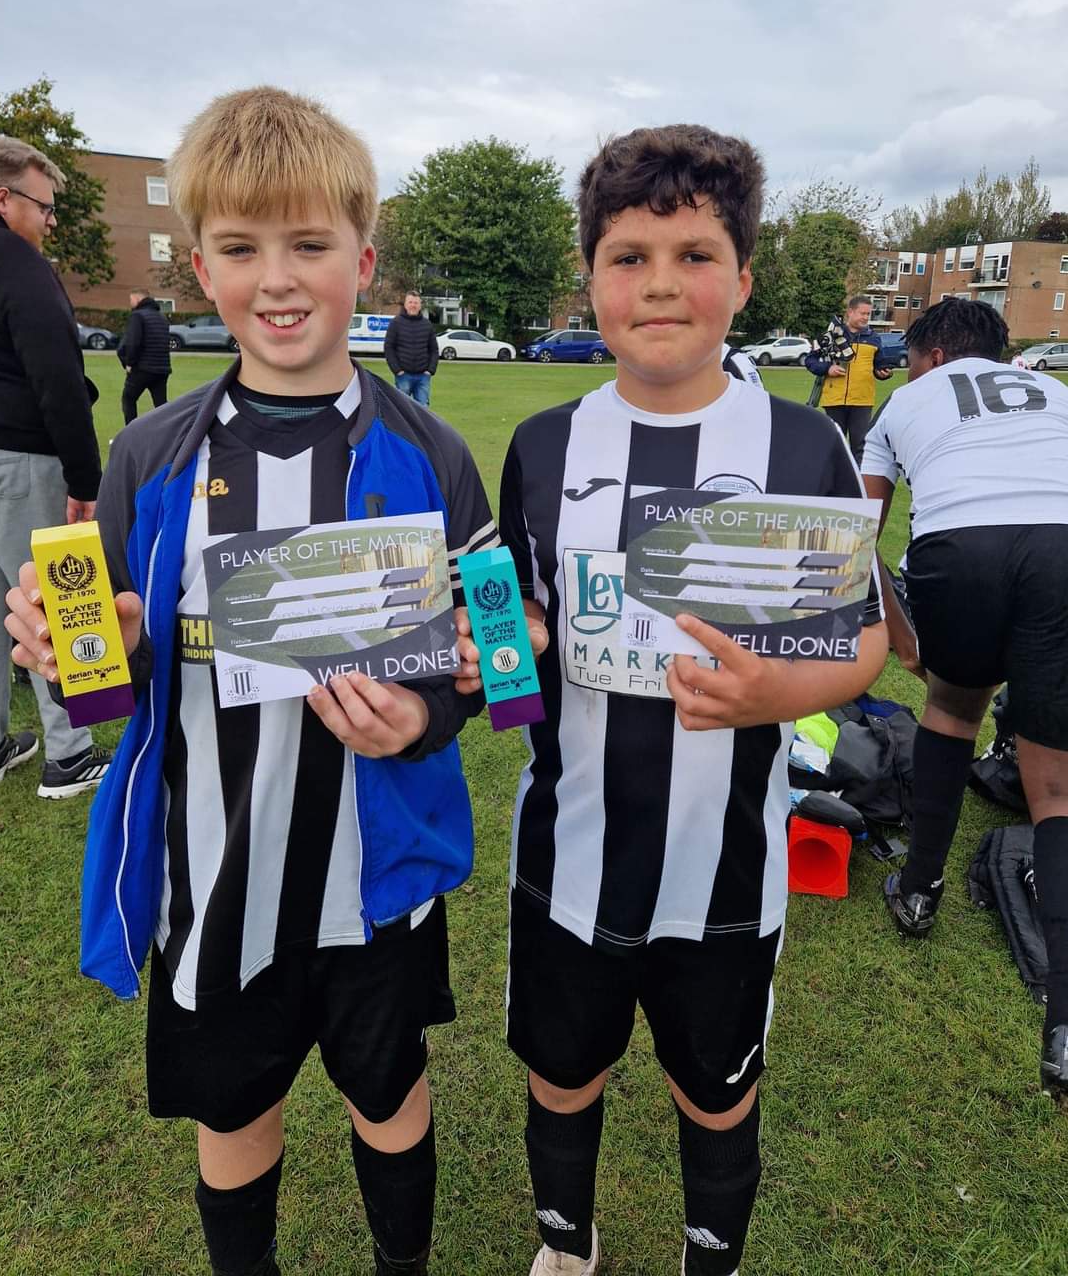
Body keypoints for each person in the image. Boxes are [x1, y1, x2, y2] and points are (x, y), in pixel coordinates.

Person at [5, 87, 498, 1276]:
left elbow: (506, 673)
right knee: (233, 1113)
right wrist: (75, 650)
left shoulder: (433, 455)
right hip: (212, 873)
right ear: (201, 272)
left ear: (364, 262)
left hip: (374, 880)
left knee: (389, 1090)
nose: (277, 280)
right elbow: (110, 684)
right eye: (240, 248)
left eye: (309, 245)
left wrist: (429, 713)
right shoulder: (148, 455)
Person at [456, 124, 888, 1275]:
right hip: (571, 849)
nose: (660, 284)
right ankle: (567, 1246)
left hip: (728, 862)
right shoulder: (547, 445)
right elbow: (522, 619)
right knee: (562, 1071)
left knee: (716, 1092)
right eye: (629, 255)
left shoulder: (803, 445)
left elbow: (865, 644)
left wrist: (771, 692)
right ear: (590, 277)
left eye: (694, 254)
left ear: (743, 279)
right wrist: (503, 650)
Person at [862, 297, 1068, 1105]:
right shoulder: (1051, 390)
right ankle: (1062, 1026)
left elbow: (855, 529)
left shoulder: (911, 396)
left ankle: (919, 891)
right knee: (1054, 786)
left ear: (935, 354)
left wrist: (905, 636)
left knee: (952, 708)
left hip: (964, 542)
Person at [0, 133, 112, 799]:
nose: (51, 219)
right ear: (2, 198)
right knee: (60, 596)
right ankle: (70, 753)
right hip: (20, 457)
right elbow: (58, 377)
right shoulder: (19, 263)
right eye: (44, 205)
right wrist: (84, 482)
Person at [805, 295, 892, 461]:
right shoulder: (829, 335)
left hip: (862, 400)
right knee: (834, 445)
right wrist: (827, 368)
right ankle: (832, 484)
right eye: (862, 313)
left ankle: (857, 485)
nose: (866, 318)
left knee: (860, 447)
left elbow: (879, 365)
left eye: (868, 314)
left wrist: (884, 373)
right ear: (850, 312)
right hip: (834, 399)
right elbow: (810, 360)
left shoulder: (874, 338)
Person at [118, 287, 172, 423]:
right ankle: (167, 434)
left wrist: (129, 363)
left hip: (143, 368)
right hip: (162, 369)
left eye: (131, 300)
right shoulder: (162, 317)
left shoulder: (137, 316)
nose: (130, 303)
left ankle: (131, 435)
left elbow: (133, 342)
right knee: (161, 405)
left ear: (137, 299)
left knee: (128, 399)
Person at [384, 291, 438, 405]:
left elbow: (434, 350)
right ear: (405, 304)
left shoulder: (427, 324)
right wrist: (397, 370)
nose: (413, 305)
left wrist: (430, 370)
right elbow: (389, 348)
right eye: (410, 302)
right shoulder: (396, 323)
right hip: (403, 376)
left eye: (416, 303)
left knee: (423, 411)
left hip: (423, 377)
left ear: (420, 305)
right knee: (403, 410)